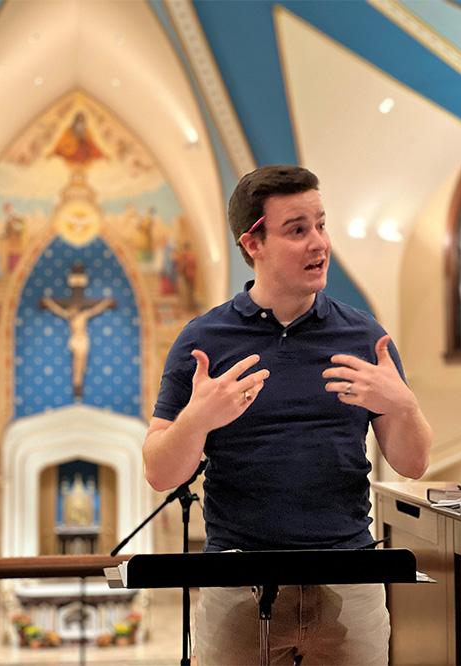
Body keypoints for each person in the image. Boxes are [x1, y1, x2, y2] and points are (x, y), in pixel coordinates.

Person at [142, 165, 432, 665]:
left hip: (349, 578)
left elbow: (414, 463)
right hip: (238, 585)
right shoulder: (203, 341)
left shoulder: (364, 337)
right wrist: (197, 419)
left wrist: (402, 404)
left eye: (321, 224)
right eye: (298, 230)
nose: (319, 243)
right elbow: (159, 472)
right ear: (253, 243)